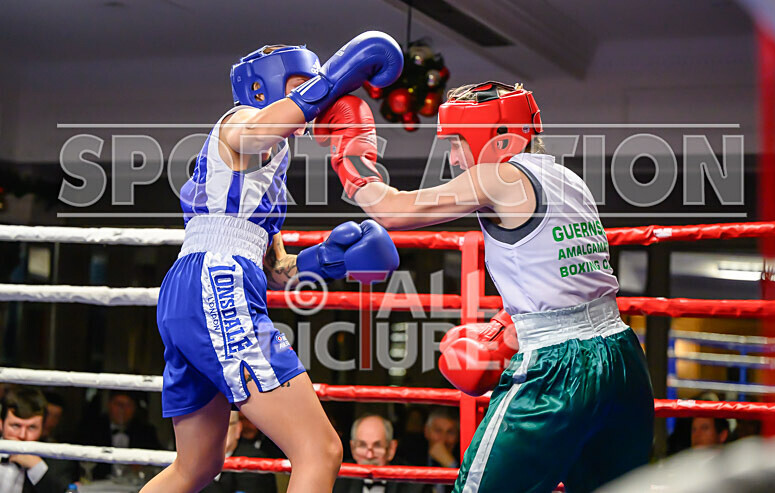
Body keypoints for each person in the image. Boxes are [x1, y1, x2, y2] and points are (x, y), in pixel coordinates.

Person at [314, 82, 654, 492]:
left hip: (558, 366)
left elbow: (392, 210)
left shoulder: (498, 176)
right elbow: (569, 278)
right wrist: (507, 326)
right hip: (622, 357)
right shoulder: (569, 180)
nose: (454, 158)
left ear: (497, 137)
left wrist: (350, 152)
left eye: (457, 142)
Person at [140, 31, 403, 493]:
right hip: (217, 284)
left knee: (196, 467)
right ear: (262, 87)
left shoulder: (267, 169)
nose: (313, 98)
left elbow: (276, 269)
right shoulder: (241, 120)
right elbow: (262, 126)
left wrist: (327, 260)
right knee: (320, 450)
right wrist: (336, 77)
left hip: (200, 286)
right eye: (299, 85)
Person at [0, 386, 77, 493]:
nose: (22, 435)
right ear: (1, 424)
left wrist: (37, 468)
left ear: (42, 428)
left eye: (32, 428)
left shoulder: (58, 461)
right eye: (15, 426)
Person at [79, 390, 162, 479]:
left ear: (134, 408)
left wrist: (143, 466)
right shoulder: (92, 429)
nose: (122, 409)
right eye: (118, 404)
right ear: (109, 405)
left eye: (128, 405)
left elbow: (159, 460)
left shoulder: (146, 431)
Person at [334, 414, 425, 493]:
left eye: (377, 446)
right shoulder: (337, 481)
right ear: (353, 448)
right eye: (362, 445)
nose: (369, 456)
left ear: (391, 449)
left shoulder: (414, 485)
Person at [200, 411, 277, 493]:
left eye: (224, 425)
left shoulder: (252, 459)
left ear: (238, 429)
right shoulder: (198, 461)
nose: (217, 432)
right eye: (210, 426)